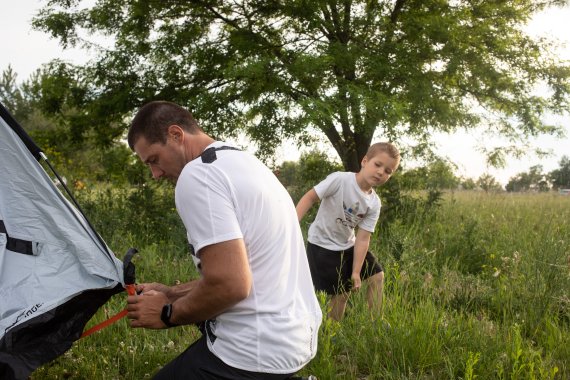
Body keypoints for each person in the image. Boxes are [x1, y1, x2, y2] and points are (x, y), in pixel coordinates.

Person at [125, 101, 322, 379]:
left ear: (176, 135)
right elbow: (248, 272)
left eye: (154, 160)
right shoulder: (246, 163)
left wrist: (167, 313)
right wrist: (171, 292)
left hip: (253, 350)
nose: (155, 174)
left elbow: (231, 285)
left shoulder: (199, 176)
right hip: (294, 340)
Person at [296, 142, 400, 321]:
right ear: (364, 161)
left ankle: (373, 326)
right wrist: (291, 224)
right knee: (341, 295)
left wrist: (356, 272)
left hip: (347, 245)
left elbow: (363, 238)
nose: (381, 172)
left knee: (377, 276)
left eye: (388, 171)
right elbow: (310, 197)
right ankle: (333, 334)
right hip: (322, 245)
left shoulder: (374, 203)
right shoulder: (341, 180)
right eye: (377, 164)